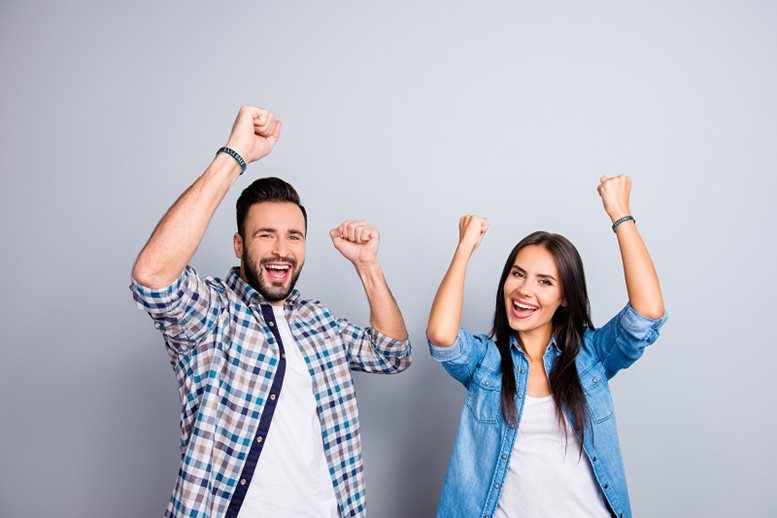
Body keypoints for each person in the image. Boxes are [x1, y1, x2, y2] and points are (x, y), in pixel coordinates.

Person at [130, 106, 411, 517]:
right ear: (239, 246)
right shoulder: (211, 313)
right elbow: (153, 276)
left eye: (294, 236)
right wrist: (235, 154)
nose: (282, 250)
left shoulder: (319, 321)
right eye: (266, 235)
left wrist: (367, 265)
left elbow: (393, 353)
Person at [426, 175, 666, 518]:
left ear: (565, 297)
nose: (525, 290)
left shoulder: (592, 356)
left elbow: (647, 312)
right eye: (517, 274)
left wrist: (620, 214)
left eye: (545, 282)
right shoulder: (487, 363)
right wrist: (465, 248)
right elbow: (441, 336)